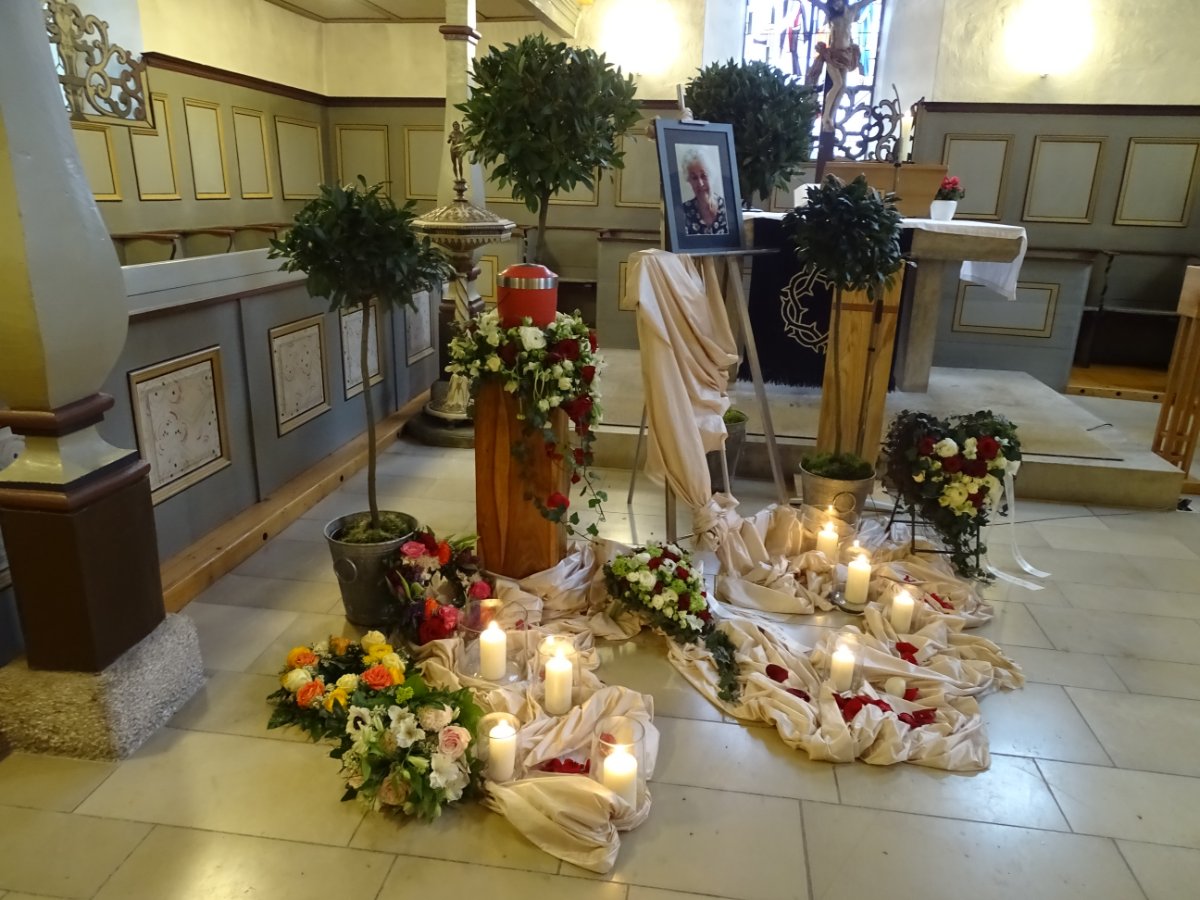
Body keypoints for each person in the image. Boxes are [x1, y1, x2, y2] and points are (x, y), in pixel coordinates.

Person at [805, 0, 878, 132]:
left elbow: (865, 2)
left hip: (846, 54)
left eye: (837, 2)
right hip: (832, 55)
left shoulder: (853, 10)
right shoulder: (830, 12)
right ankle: (825, 116)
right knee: (837, 83)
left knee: (842, 87)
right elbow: (817, 3)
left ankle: (831, 118)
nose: (835, 5)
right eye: (833, 3)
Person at [679, 148, 728, 236]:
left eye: (704, 175)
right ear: (689, 181)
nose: (700, 183)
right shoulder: (683, 212)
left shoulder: (728, 208)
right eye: (694, 178)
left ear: (711, 176)